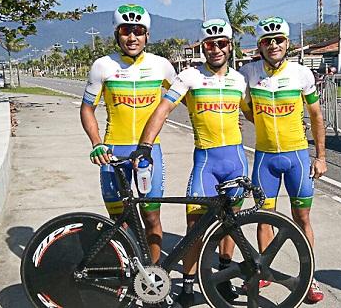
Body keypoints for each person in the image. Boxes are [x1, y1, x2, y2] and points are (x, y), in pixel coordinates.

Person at [133, 18, 249, 307]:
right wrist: (145, 146)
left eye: (222, 43)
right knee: (194, 225)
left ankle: (224, 278)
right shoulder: (189, 77)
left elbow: (254, 114)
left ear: (230, 46)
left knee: (230, 224)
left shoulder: (240, 80)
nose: (216, 49)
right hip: (206, 163)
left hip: (236, 160)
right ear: (202, 47)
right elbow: (162, 109)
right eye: (210, 44)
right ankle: (187, 283)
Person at [239, 16, 327, 304]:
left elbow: (316, 116)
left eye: (278, 39)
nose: (273, 44)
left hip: (297, 157)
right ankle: (265, 270)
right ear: (260, 46)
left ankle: (309, 277)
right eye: (267, 40)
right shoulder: (249, 73)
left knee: (302, 218)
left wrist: (321, 157)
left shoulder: (302, 74)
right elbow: (246, 109)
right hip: (265, 157)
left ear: (287, 43)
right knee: (264, 218)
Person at [80, 4, 176, 264]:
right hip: (113, 152)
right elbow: (87, 108)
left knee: (152, 217)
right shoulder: (102, 66)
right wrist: (96, 143)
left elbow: (188, 99)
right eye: (126, 31)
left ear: (147, 36)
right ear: (116, 34)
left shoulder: (162, 66)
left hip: (148, 152)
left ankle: (155, 277)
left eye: (138, 31)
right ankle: (131, 271)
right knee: (119, 221)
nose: (132, 37)